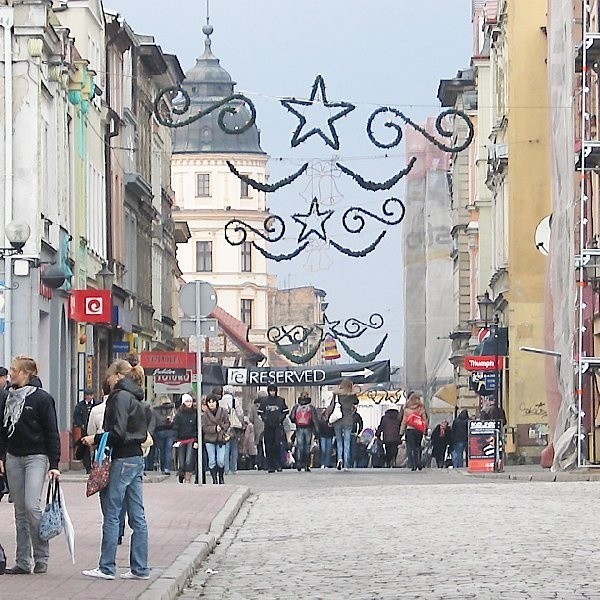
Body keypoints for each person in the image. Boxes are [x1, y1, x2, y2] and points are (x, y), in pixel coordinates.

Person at [81, 359, 150, 581]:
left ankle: (107, 567)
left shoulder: (118, 397)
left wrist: (95, 438)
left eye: (109, 377)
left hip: (121, 459)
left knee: (112, 513)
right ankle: (140, 567)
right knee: (137, 516)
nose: (107, 382)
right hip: (136, 458)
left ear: (118, 376)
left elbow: (117, 433)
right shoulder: (138, 398)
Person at [0, 355, 60, 575]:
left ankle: (41, 555)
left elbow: (51, 432)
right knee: (19, 510)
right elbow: (3, 430)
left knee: (31, 505)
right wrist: (2, 456)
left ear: (26, 374)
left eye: (15, 370)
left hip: (37, 456)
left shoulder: (42, 399)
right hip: (13, 457)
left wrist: (54, 463)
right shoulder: (8, 398)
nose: (11, 373)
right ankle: (23, 561)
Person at [327, 379, 359, 471]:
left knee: (339, 442)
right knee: (347, 442)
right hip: (348, 421)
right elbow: (356, 402)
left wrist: (329, 420)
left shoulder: (336, 395)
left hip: (337, 421)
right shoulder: (351, 395)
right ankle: (346, 464)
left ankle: (339, 459)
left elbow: (331, 406)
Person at [258, 384, 288, 473]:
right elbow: (260, 412)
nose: (272, 392)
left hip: (278, 426)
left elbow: (285, 411)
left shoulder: (280, 400)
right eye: (270, 390)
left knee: (277, 445)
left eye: (273, 390)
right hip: (268, 426)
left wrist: (280, 418)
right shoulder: (264, 401)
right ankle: (270, 466)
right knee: (268, 446)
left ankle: (278, 465)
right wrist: (265, 419)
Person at [201, 393, 230, 483]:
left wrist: (222, 427)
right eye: (209, 402)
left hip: (221, 439)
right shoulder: (205, 415)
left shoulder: (223, 411)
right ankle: (214, 479)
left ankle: (221, 477)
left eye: (213, 402)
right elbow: (204, 428)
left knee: (220, 460)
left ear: (217, 402)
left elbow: (228, 423)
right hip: (209, 439)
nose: (211, 404)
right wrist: (214, 428)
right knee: (212, 460)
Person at [73, 387, 100, 474]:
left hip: (95, 429)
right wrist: (81, 424)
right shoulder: (80, 406)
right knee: (86, 449)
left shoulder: (97, 404)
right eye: (87, 395)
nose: (89, 397)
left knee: (97, 447)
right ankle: (88, 467)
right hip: (84, 430)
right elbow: (76, 417)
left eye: (90, 395)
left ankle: (96, 465)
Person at [290, 392, 318, 472]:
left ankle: (299, 462)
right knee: (307, 446)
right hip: (308, 428)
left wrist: (297, 421)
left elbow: (291, 417)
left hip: (299, 428)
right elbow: (315, 420)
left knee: (300, 446)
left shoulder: (296, 406)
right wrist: (317, 431)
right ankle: (306, 464)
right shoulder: (311, 407)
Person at [172, 394, 197, 483]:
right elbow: (175, 427)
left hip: (191, 439)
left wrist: (196, 439)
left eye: (190, 401)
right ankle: (181, 474)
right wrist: (175, 440)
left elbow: (197, 427)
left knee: (188, 460)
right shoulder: (179, 414)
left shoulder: (195, 414)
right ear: (183, 402)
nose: (189, 403)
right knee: (181, 462)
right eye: (187, 401)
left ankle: (188, 478)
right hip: (180, 440)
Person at [400, 392, 427, 471]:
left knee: (411, 447)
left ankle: (413, 464)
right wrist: (425, 429)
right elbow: (424, 419)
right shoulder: (421, 408)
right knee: (417, 447)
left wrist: (401, 432)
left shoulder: (407, 409)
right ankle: (418, 462)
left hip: (409, 430)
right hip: (418, 430)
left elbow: (404, 421)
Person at [151, 396, 175, 475]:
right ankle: (167, 468)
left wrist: (150, 434)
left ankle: (162, 467)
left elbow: (153, 423)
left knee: (161, 451)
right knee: (168, 450)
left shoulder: (155, 410)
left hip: (159, 431)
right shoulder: (172, 409)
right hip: (170, 431)